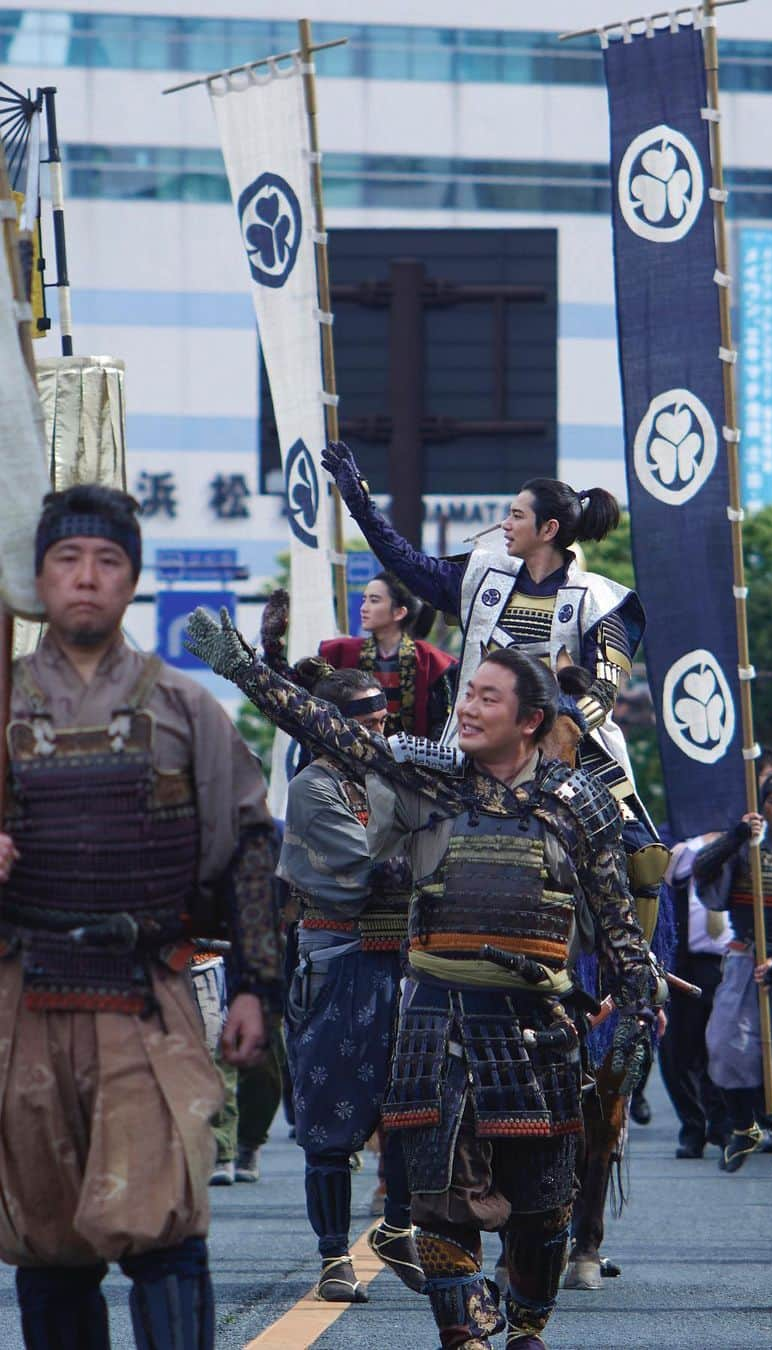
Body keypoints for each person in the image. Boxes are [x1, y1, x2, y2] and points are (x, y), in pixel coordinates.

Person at [184, 612, 664, 1350]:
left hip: (538, 1027)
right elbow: (332, 730)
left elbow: (621, 931)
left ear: (532, 720)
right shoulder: (428, 776)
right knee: (440, 1203)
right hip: (437, 1017)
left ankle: (527, 1325)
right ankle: (463, 1334)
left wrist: (636, 1012)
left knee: (542, 1211)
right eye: (466, 693)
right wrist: (247, 669)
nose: (466, 708)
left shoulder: (582, 805)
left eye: (487, 698)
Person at [320, 447, 670, 1285]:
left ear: (548, 530)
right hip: (468, 746)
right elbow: (406, 566)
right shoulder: (481, 569)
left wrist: (552, 731)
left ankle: (626, 1024)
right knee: (394, 837)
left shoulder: (608, 602)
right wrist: (361, 502)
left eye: (515, 514)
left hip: (571, 757)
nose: (500, 523)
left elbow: (603, 687)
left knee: (641, 858)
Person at [0, 485, 281, 1350]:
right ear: (38, 578)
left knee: (166, 1228)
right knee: (48, 1243)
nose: (86, 578)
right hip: (22, 1003)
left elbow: (248, 847)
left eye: (107, 562)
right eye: (68, 561)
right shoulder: (4, 703)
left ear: (132, 583)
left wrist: (257, 988)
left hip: (145, 997)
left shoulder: (185, 709)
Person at [275, 665, 423, 1302]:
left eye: (383, 720)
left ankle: (397, 1227)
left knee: (413, 1104)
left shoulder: (394, 773)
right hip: (340, 956)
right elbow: (369, 867)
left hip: (410, 961)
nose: (378, 732)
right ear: (327, 727)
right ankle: (334, 1254)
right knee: (331, 1111)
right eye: (363, 724)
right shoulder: (314, 785)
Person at [694, 773, 772, 1179]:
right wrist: (735, 836)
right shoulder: (745, 852)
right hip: (745, 960)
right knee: (726, 1047)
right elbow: (701, 872)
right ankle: (744, 1127)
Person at [658, 834, 730, 1159]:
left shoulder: (755, 844)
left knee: (725, 1050)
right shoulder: (686, 850)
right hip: (686, 964)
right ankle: (692, 1125)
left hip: (733, 964)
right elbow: (667, 875)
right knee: (677, 1051)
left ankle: (726, 1123)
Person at [318, 571, 456, 739]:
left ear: (399, 612)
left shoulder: (430, 661)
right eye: (364, 600)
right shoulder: (340, 652)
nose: (363, 608)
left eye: (374, 600)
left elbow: (441, 723)